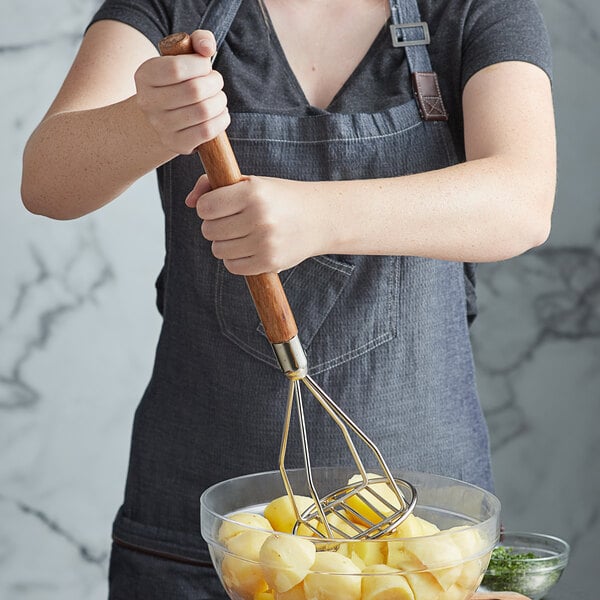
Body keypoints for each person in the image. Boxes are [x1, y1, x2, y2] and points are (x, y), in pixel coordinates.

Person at [21, 0, 556, 597]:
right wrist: (147, 120)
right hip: (199, 544)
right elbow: (47, 181)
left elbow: (522, 200)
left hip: (422, 543)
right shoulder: (168, 8)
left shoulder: (475, 11)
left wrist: (316, 216)